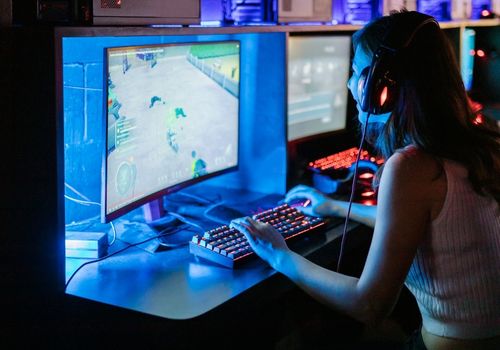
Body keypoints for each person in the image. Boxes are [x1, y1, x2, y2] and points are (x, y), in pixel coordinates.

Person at [231, 10, 500, 350]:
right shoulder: (480, 141)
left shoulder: (412, 166)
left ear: (383, 87)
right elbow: (420, 223)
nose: (350, 84)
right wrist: (334, 205)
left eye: (358, 73)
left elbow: (370, 305)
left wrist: (280, 256)